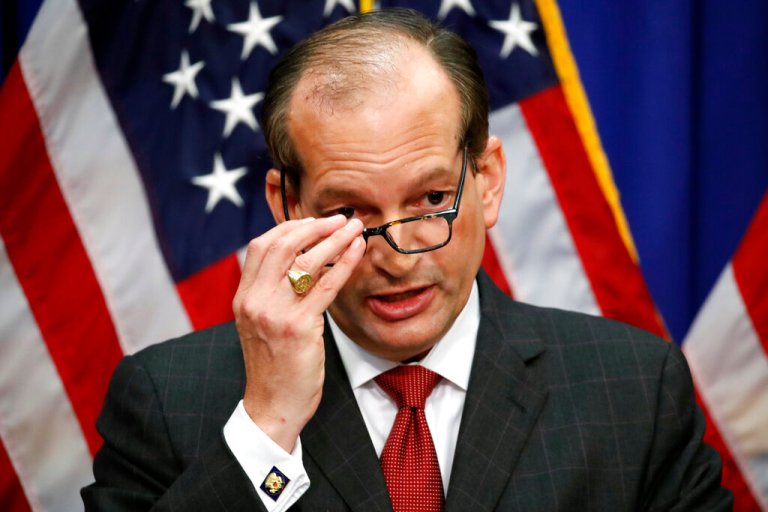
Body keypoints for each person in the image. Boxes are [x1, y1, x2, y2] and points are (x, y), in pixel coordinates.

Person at [82, 8, 732, 511]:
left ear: (488, 181)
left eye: (431, 199)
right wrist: (267, 428)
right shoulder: (167, 401)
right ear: (287, 205)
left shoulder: (634, 392)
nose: (396, 258)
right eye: (350, 212)